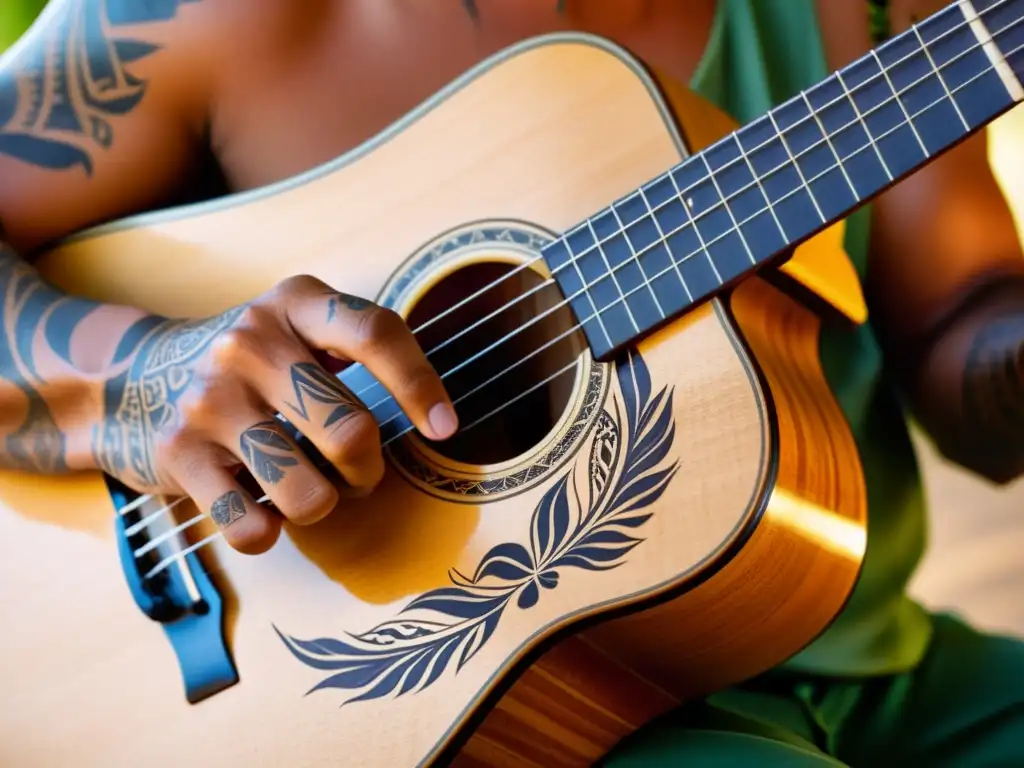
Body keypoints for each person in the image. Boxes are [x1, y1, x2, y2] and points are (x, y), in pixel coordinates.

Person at [0, 0, 1021, 764]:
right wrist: (136, 381)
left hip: (875, 659)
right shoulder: (195, 19)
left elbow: (960, 348)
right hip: (516, 722)